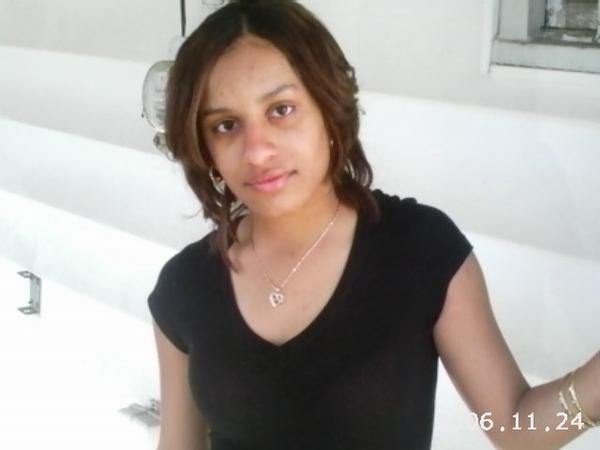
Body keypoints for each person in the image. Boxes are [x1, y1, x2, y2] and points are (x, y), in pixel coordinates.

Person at [147, 1, 600, 449]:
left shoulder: (420, 251)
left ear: (329, 109)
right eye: (226, 125)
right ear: (205, 148)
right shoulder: (184, 287)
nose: (257, 151)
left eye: (281, 110)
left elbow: (516, 428)